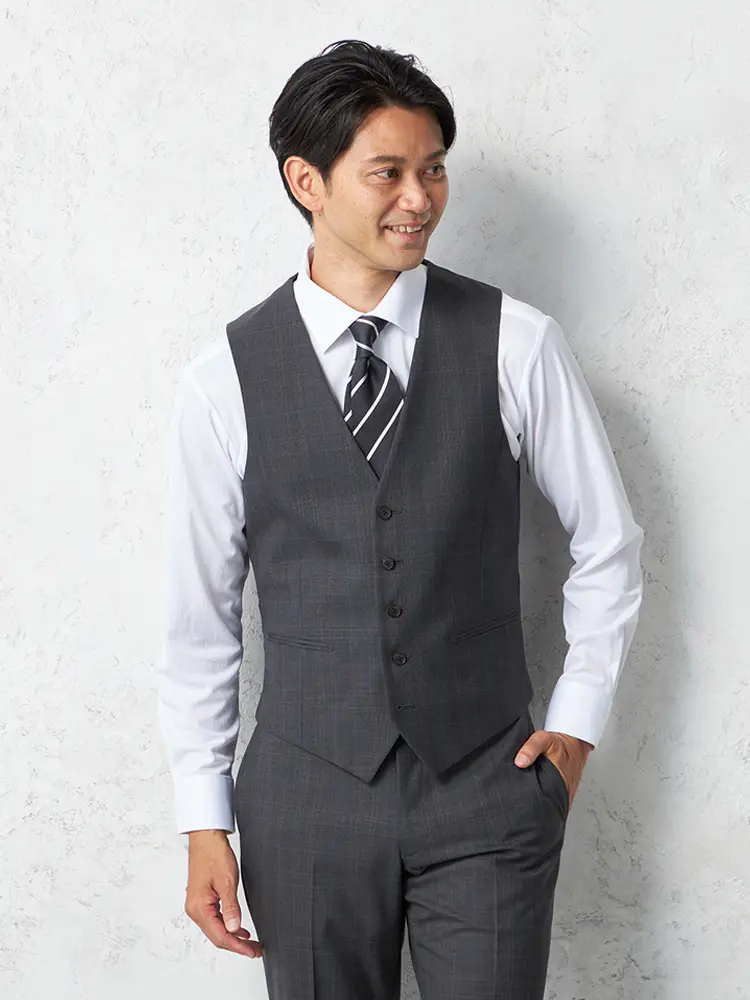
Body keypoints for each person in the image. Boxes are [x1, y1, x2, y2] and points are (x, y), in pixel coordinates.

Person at [157, 38, 644, 1000]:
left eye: (434, 170)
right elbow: (199, 617)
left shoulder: (517, 342)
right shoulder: (222, 381)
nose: (418, 199)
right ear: (307, 181)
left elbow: (608, 544)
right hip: (304, 798)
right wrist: (203, 817)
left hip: (489, 787)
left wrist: (576, 729)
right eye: (388, 173)